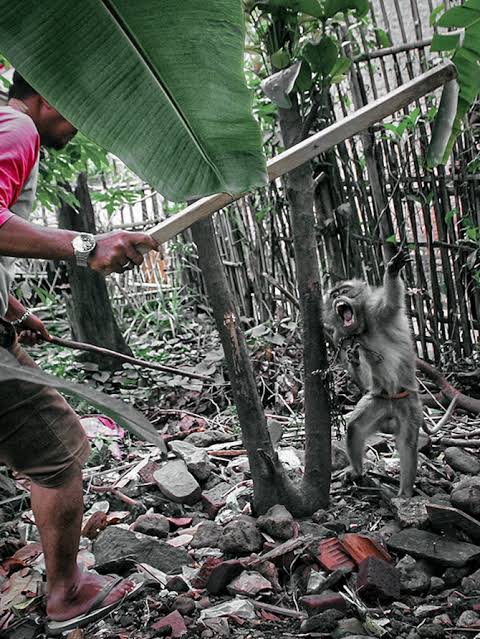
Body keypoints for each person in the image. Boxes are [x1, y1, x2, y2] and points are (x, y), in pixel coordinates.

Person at [0, 72, 158, 629]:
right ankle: (66, 595)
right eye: (76, 107)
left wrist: (14, 309)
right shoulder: (16, 128)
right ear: (46, 94)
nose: (81, 121)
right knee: (61, 453)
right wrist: (86, 243)